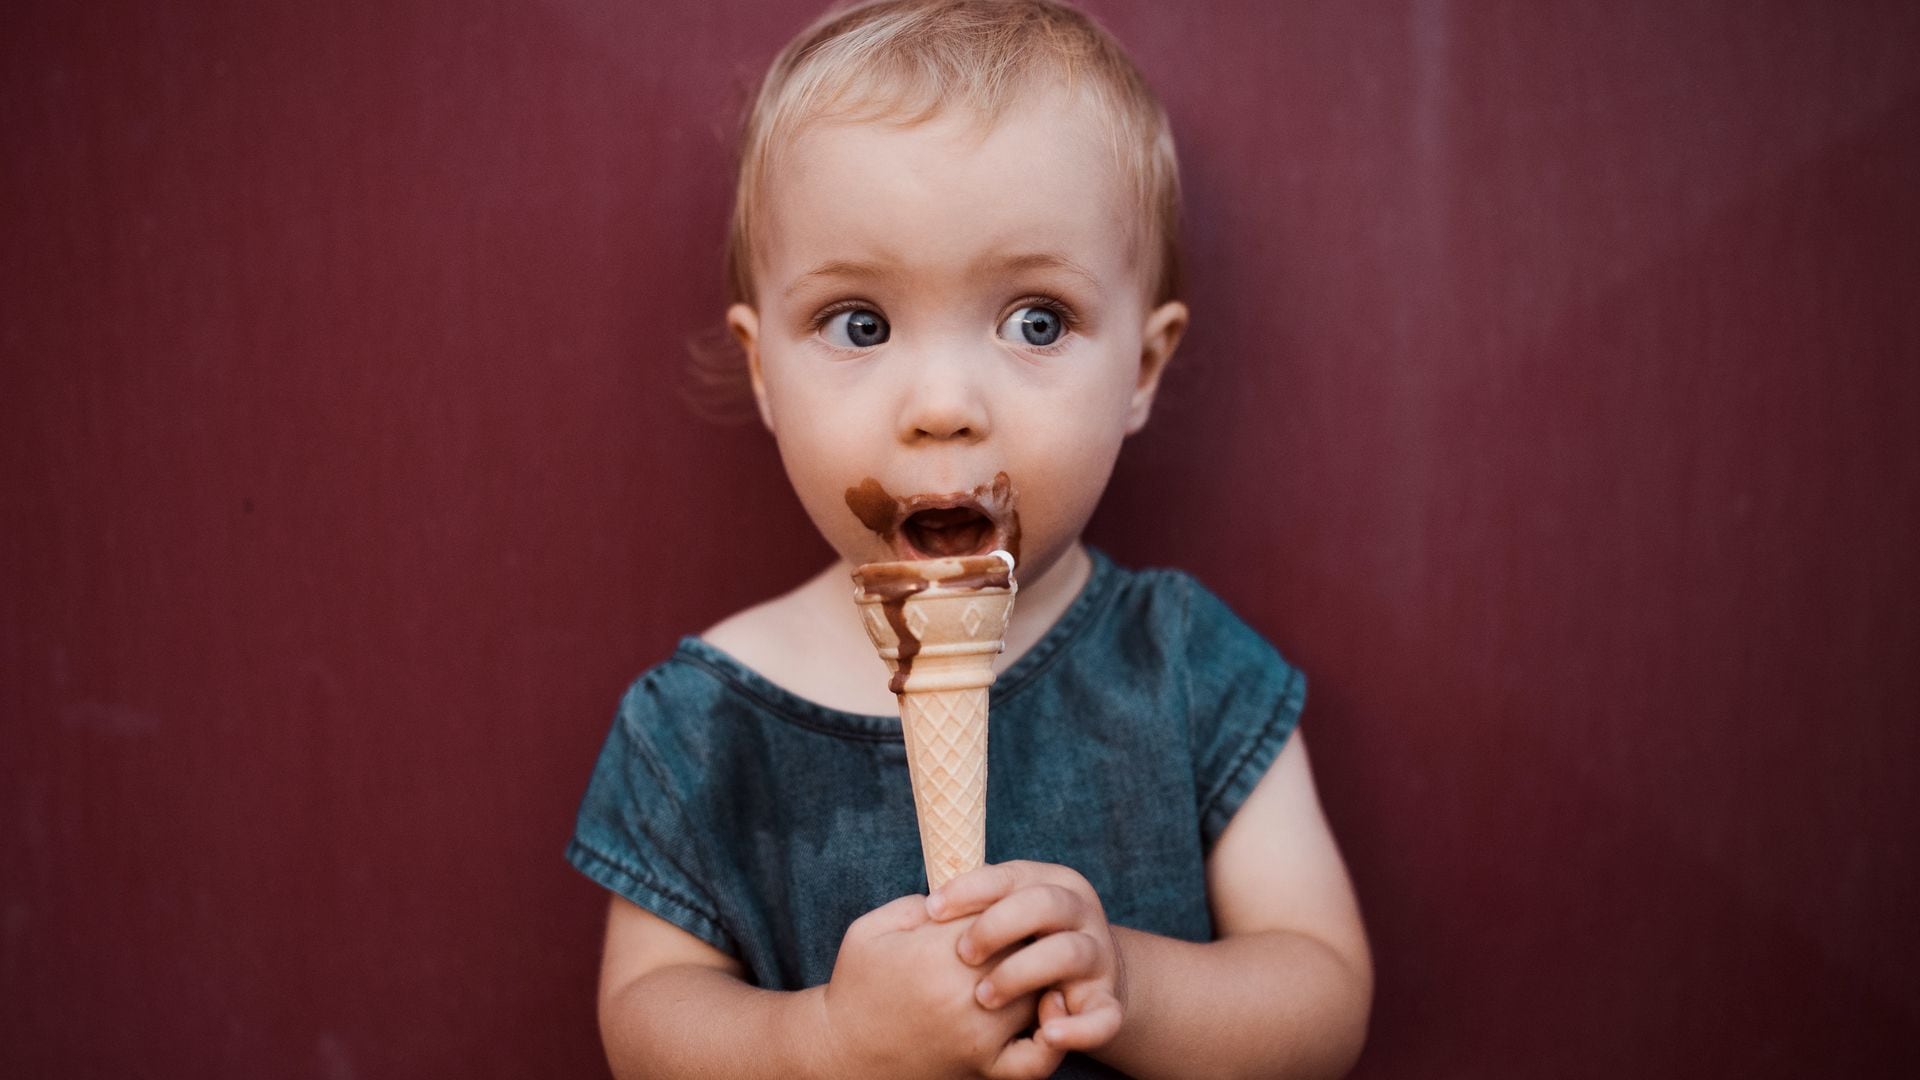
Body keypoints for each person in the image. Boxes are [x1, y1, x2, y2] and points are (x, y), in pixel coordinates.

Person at [567, 1, 1372, 1076]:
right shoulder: (701, 727)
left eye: (1036, 320)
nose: (942, 403)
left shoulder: (1184, 667)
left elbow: (1322, 993)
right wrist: (828, 1041)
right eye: (859, 322)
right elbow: (645, 1024)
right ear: (764, 371)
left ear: (1140, 367)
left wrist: (1132, 984)